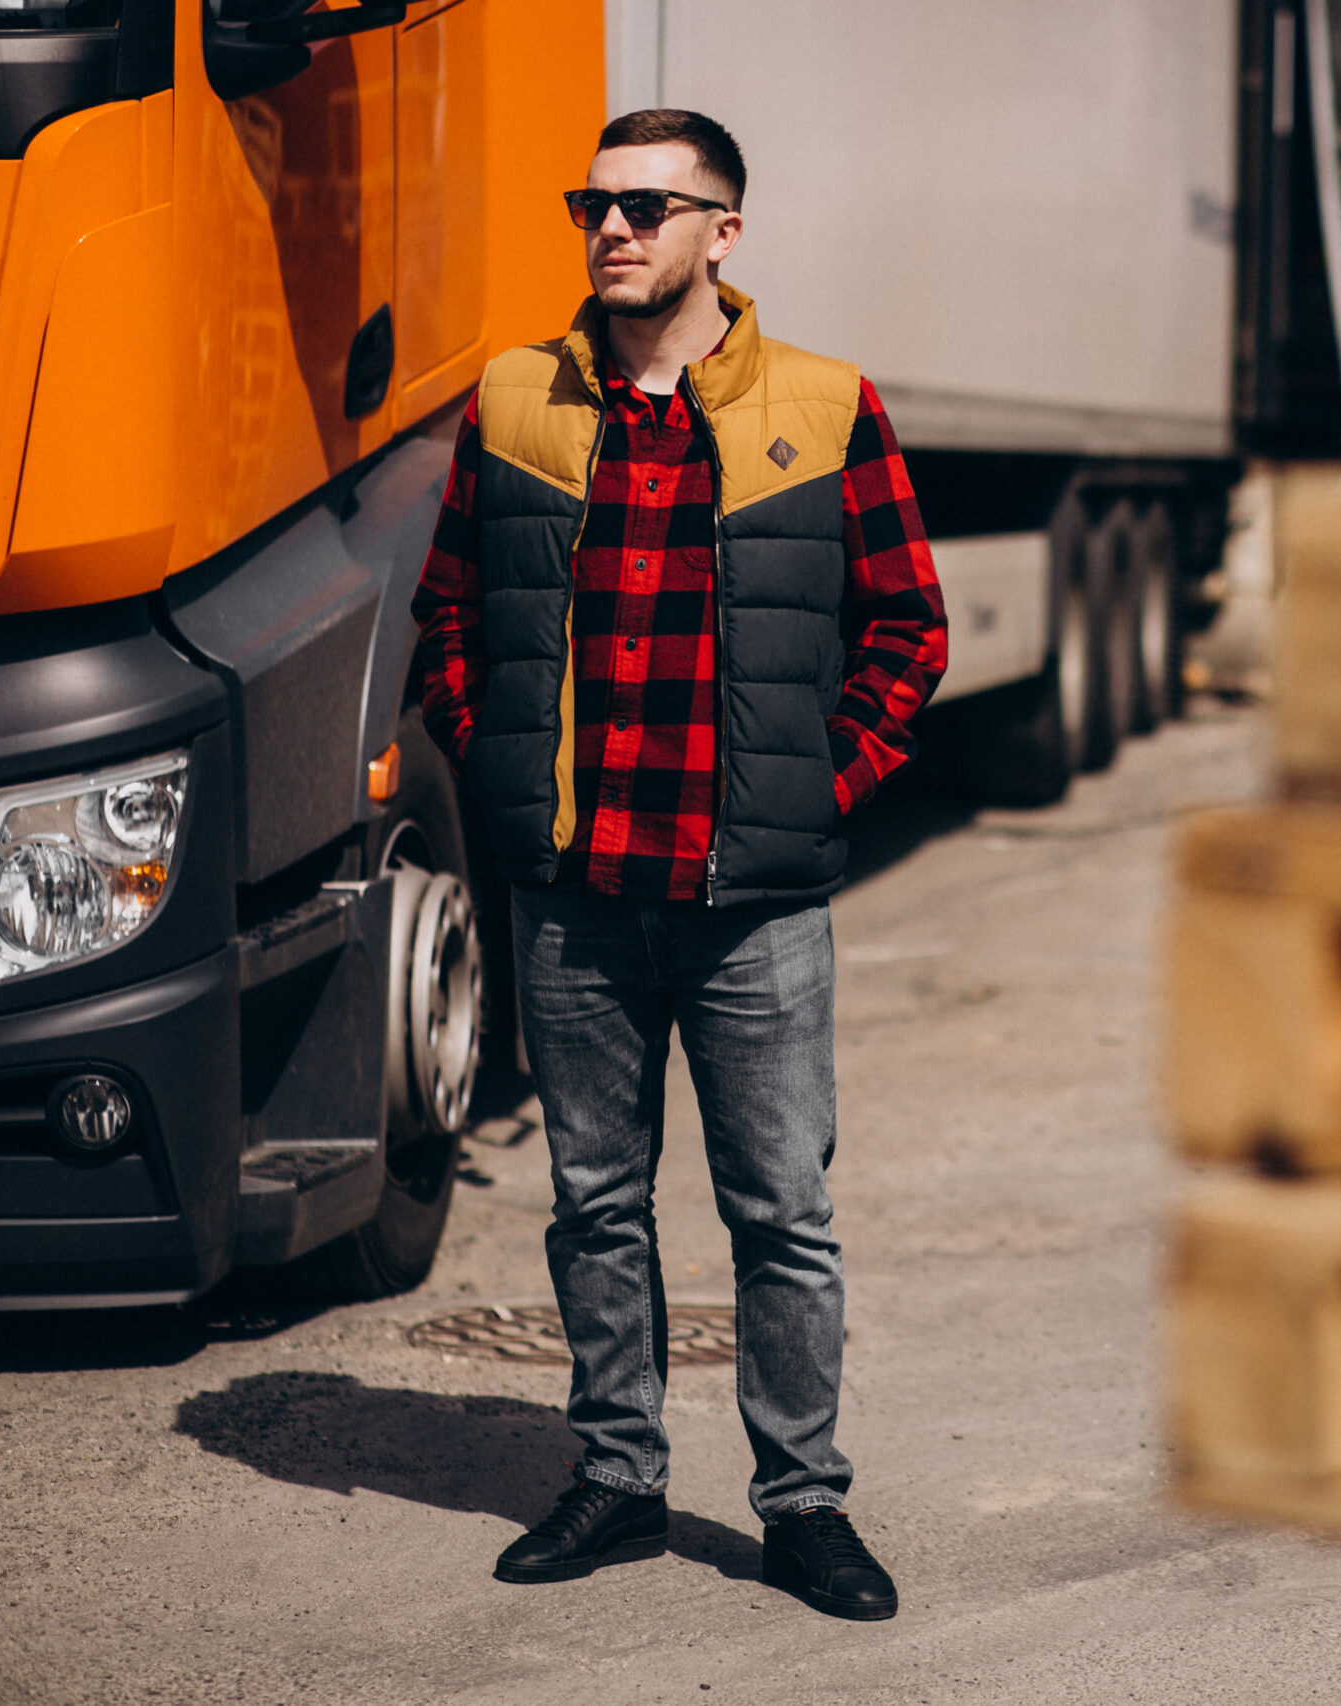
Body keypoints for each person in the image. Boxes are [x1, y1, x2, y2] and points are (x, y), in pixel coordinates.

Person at [410, 107, 946, 1621]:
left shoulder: (827, 407)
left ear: (727, 230)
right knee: (593, 1199)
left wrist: (812, 790)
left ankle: (803, 1506)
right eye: (597, 201)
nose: (615, 228)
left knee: (780, 1210)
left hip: (750, 907)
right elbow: (449, 615)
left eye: (652, 204)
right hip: (577, 897)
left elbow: (910, 629)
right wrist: (507, 774)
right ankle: (620, 1476)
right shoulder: (514, 403)